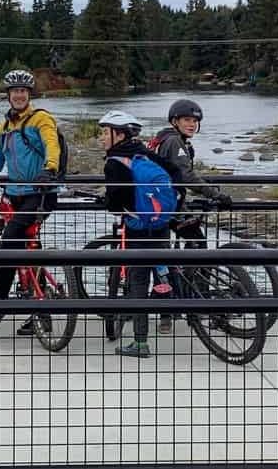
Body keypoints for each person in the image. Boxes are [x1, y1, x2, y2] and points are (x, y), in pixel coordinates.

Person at [0, 69, 63, 332]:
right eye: (14, 91)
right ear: (8, 95)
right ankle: (40, 312)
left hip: (40, 193)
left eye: (23, 91)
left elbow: (53, 146)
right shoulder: (4, 127)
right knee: (27, 248)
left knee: (9, 242)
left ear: (29, 95)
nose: (19, 95)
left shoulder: (41, 119)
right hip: (15, 195)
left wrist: (49, 169)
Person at [97, 109, 177, 358]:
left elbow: (115, 202)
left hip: (138, 229)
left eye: (104, 132)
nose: (101, 138)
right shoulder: (143, 152)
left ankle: (140, 343)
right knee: (164, 267)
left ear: (118, 134)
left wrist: (108, 202)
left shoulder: (114, 162)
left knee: (138, 281)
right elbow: (174, 172)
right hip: (162, 222)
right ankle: (175, 307)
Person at [151, 99, 228, 233]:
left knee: (188, 234)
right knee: (195, 238)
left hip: (159, 199)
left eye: (195, 121)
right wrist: (214, 194)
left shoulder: (164, 137)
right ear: (175, 121)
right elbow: (185, 175)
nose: (192, 124)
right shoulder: (174, 141)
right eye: (187, 120)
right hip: (166, 202)